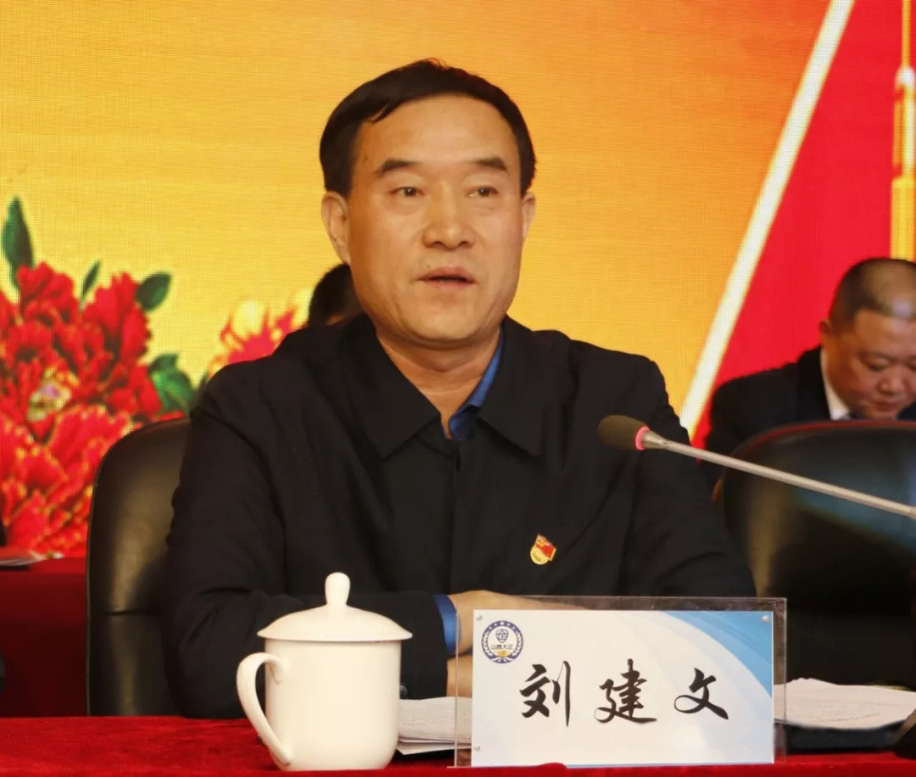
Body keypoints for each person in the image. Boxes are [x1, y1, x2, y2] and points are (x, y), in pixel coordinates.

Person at [161, 59, 754, 719]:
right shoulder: (260, 408)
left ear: (523, 217)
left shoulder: (613, 403)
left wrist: (458, 670)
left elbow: (725, 644)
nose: (450, 229)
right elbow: (208, 650)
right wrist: (461, 618)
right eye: (408, 191)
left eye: (483, 191)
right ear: (340, 224)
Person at [703, 257, 916, 488]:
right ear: (828, 335)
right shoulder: (753, 408)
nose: (894, 386)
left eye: (914, 366)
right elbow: (715, 505)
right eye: (876, 364)